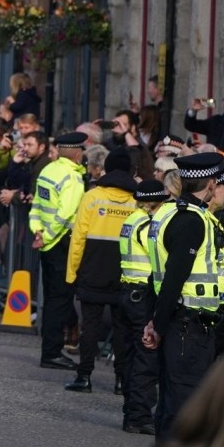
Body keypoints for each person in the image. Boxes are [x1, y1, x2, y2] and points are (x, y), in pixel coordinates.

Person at [143, 152, 224, 436]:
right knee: (184, 405)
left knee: (173, 402)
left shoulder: (170, 212)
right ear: (211, 184)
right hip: (188, 325)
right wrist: (158, 324)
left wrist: (155, 320)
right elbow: (175, 277)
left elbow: (156, 276)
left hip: (179, 321)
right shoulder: (192, 221)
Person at [63, 146, 138, 394]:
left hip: (92, 269)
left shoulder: (92, 197)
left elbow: (78, 239)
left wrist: (72, 273)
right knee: (122, 329)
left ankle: (84, 376)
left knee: (90, 326)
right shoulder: (136, 200)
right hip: (124, 272)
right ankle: (120, 381)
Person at [31, 132, 88, 370]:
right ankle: (52, 352)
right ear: (77, 153)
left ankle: (51, 349)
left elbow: (36, 206)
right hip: (61, 242)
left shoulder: (48, 171)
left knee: (53, 298)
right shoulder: (72, 178)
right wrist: (49, 236)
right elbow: (65, 214)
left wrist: (38, 231)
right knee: (60, 300)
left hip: (45, 241)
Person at [120, 174, 170, 435]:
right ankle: (139, 415)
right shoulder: (149, 226)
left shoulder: (131, 220)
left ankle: (131, 411)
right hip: (142, 295)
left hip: (128, 293)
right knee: (146, 357)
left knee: (131, 355)